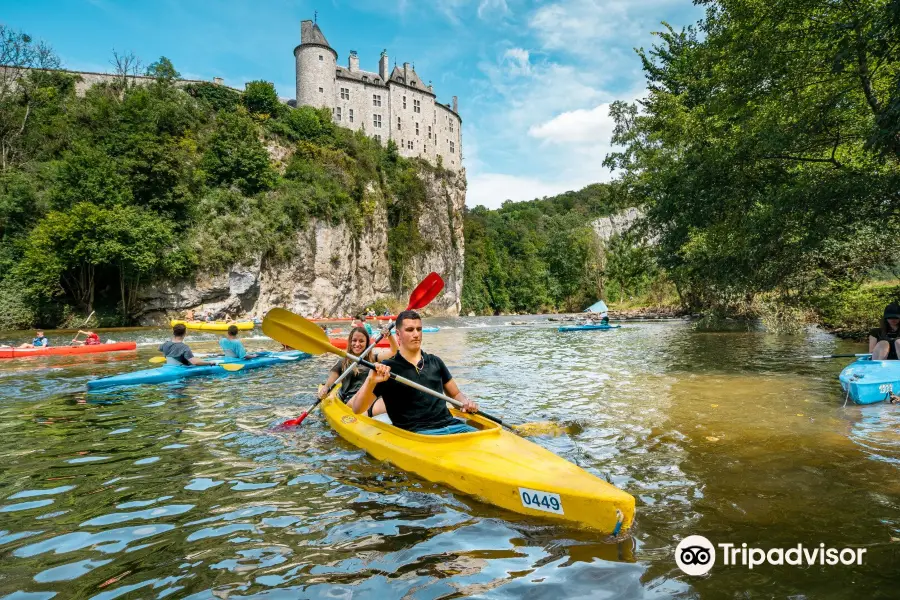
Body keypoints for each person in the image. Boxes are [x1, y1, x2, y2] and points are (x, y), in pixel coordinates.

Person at [350, 310, 479, 434]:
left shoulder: (435, 362)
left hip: (453, 426)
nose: (416, 334)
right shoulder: (387, 369)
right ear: (398, 335)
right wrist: (370, 380)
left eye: (419, 329)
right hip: (419, 434)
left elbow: (455, 394)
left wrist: (466, 402)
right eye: (410, 330)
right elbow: (357, 409)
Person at [319, 324, 397, 417]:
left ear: (366, 343)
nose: (357, 344)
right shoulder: (343, 361)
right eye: (354, 340)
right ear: (350, 342)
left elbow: (394, 352)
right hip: (351, 401)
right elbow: (330, 381)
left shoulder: (373, 359)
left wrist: (390, 336)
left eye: (361, 341)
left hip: (370, 399)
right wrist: (325, 389)